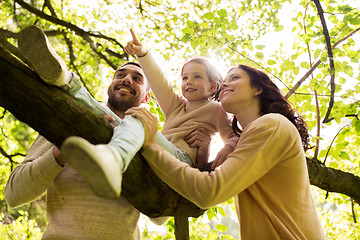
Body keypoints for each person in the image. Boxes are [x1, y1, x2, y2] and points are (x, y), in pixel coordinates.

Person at [4, 26, 209, 239]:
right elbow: (13, 195)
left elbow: (160, 216)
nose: (127, 79)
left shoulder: (148, 142)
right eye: (121, 75)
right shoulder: (65, 122)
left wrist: (201, 159)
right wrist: (63, 150)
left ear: (147, 98)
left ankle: (66, 80)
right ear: (109, 87)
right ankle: (63, 78)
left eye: (137, 78)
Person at [127, 65, 325, 239]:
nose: (226, 84)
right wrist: (203, 155)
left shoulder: (272, 125)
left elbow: (209, 191)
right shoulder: (249, 141)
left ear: (257, 89)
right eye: (226, 80)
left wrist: (151, 145)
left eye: (235, 78)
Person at [125, 29, 238, 169]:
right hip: (155, 150)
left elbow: (233, 136)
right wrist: (142, 54)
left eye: (197, 76)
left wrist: (226, 148)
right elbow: (158, 80)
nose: (189, 82)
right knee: (133, 118)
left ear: (212, 86)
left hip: (181, 157)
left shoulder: (216, 109)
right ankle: (113, 154)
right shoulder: (175, 106)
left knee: (141, 120)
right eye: (185, 78)